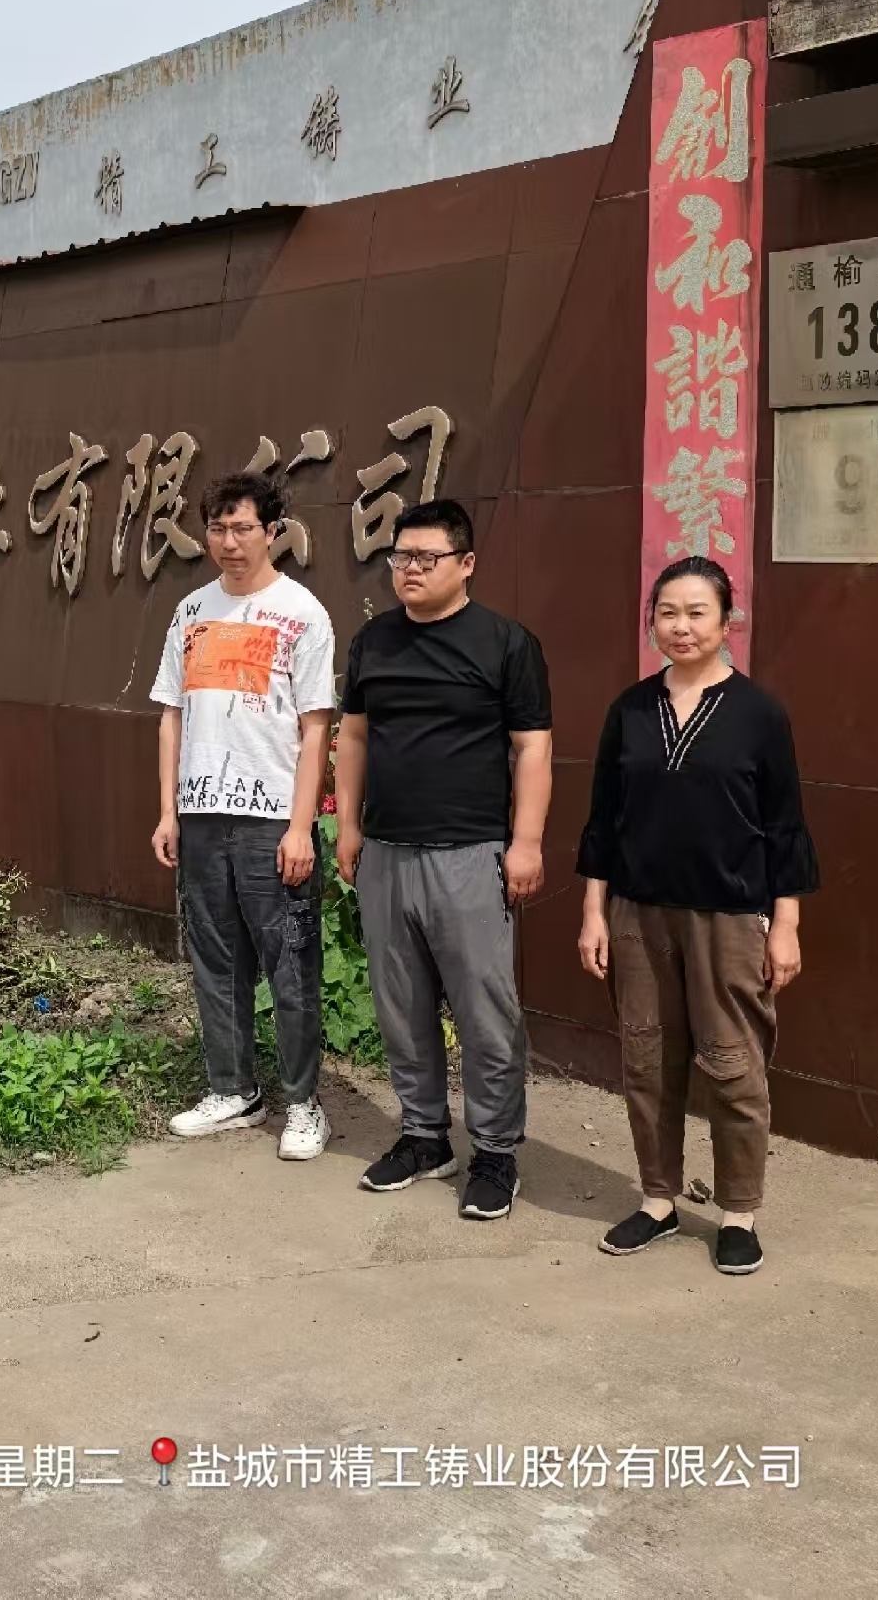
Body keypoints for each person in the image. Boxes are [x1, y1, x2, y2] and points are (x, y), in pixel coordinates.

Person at [576, 556, 819, 1276]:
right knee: (647, 1062)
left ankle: (738, 1213)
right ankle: (657, 1201)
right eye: (667, 613)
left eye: (696, 613)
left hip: (730, 915)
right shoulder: (628, 710)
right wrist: (593, 913)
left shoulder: (758, 713)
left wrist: (786, 924)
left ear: (725, 621)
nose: (680, 627)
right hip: (638, 912)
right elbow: (603, 822)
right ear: (651, 620)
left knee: (733, 1066)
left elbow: (784, 827)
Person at [334, 499, 553, 1219]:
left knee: (486, 1012)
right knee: (400, 1008)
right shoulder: (374, 642)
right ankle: (424, 1136)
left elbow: (532, 748)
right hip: (387, 850)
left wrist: (525, 842)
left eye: (427, 558)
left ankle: (494, 1152)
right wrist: (348, 828)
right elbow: (354, 737)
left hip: (471, 852)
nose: (410, 570)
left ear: (466, 564)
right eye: (401, 557)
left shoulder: (505, 643)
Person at [150, 471, 335, 1160]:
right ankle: (232, 1090)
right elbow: (171, 716)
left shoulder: (301, 612)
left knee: (290, 964)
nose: (229, 542)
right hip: (201, 816)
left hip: (270, 821)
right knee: (216, 959)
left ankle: (303, 1103)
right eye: (218, 529)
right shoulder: (191, 610)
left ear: (272, 531)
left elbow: (316, 728)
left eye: (243, 529)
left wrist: (300, 826)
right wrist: (167, 812)